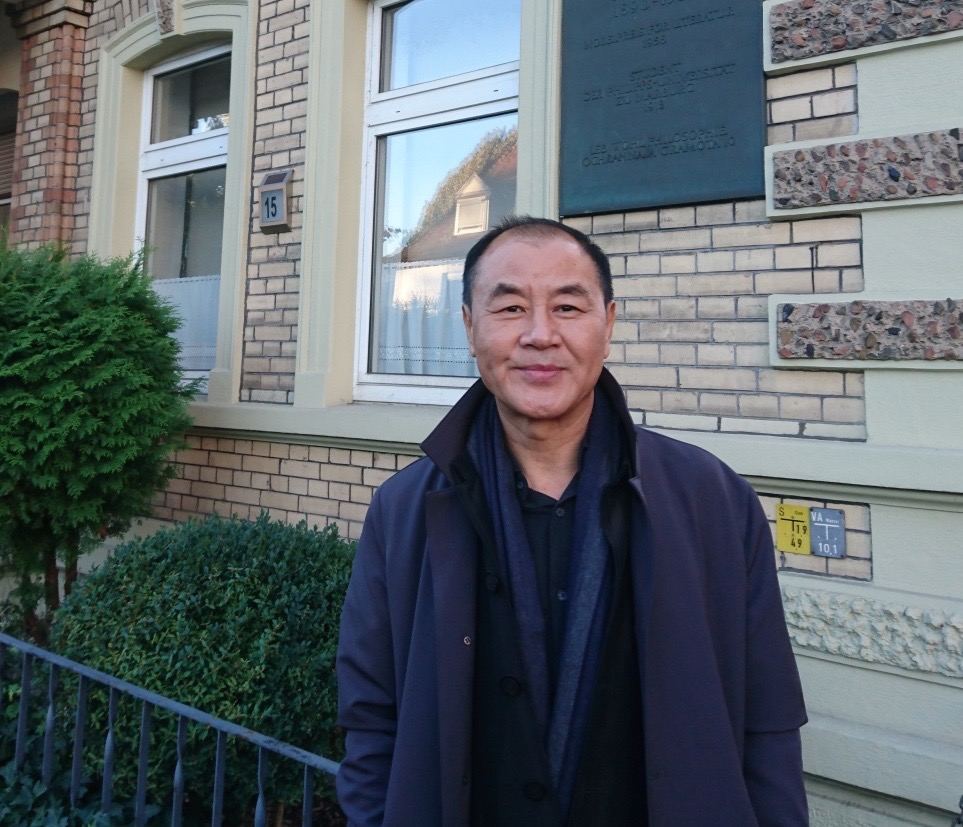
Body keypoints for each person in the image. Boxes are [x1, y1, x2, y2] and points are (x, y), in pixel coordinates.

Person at [336, 216, 808, 826]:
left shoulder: (711, 500)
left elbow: (766, 718)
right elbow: (372, 720)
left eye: (567, 307)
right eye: (510, 308)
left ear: (607, 325)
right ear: (469, 327)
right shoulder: (405, 511)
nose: (540, 335)